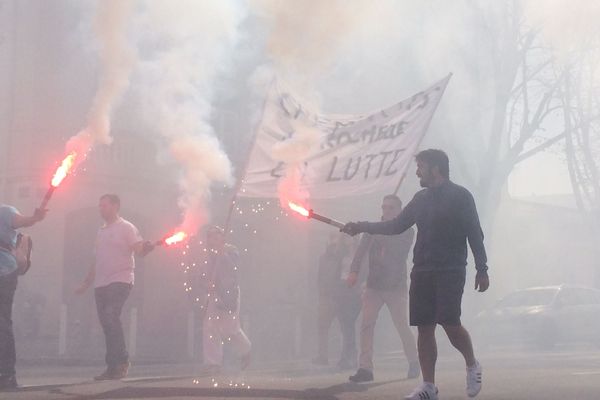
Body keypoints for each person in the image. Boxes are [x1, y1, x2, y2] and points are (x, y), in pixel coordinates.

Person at [342, 149, 489, 400]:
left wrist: (482, 268)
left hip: (450, 270)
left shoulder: (461, 196)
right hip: (422, 271)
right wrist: (361, 227)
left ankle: (472, 363)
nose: (417, 171)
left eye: (420, 166)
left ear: (435, 169)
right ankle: (428, 386)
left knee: (450, 324)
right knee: (424, 328)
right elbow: (395, 225)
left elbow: (474, 232)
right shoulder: (420, 199)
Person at [76, 194, 154, 380]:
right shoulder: (101, 231)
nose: (101, 209)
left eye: (104, 205)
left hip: (121, 279)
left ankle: (121, 361)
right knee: (107, 325)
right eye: (100, 206)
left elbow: (139, 250)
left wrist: (147, 247)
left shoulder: (126, 228)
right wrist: (86, 283)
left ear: (116, 206)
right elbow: (97, 260)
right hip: (101, 284)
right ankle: (112, 367)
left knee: (111, 317)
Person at [347, 194, 419, 383]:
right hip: (374, 285)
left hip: (396, 286)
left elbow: (397, 252)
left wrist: (376, 230)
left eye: (390, 208)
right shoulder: (372, 230)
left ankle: (413, 360)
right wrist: (354, 271)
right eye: (384, 207)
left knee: (402, 325)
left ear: (399, 210)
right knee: (366, 324)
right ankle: (365, 368)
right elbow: (360, 252)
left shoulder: (407, 231)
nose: (386, 211)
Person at [191, 226, 251, 374]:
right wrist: (206, 285)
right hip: (214, 295)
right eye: (210, 237)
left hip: (229, 293)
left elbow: (233, 268)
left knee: (230, 328)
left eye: (215, 236)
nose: (212, 240)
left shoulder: (231, 251)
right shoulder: (205, 256)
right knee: (210, 328)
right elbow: (201, 277)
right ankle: (213, 363)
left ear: (221, 237)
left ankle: (246, 349)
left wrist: (222, 254)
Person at [0, 205, 47, 390]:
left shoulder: (5, 212)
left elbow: (23, 221)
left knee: (2, 323)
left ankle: (6, 374)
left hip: (3, 273)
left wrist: (35, 217)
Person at [313, 232, 361, 370]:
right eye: (345, 236)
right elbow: (332, 273)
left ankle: (350, 357)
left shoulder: (360, 254)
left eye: (350, 236)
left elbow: (364, 270)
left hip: (354, 291)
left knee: (349, 324)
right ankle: (345, 357)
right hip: (341, 290)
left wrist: (360, 285)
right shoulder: (340, 254)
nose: (347, 239)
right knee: (345, 325)